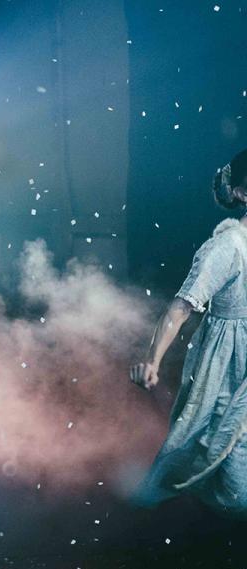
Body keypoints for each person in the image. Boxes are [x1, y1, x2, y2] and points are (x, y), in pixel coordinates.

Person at [130, 149, 247, 519]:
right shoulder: (227, 248)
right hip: (231, 362)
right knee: (221, 453)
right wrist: (152, 361)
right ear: (243, 193)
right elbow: (180, 308)